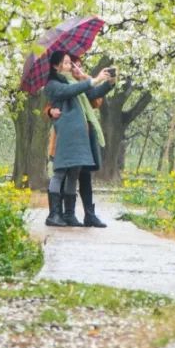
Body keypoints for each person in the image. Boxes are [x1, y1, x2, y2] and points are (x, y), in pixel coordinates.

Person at [42, 51, 114, 227]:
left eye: (72, 64)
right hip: (66, 135)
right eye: (67, 63)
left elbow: (94, 94)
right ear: (56, 66)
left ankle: (70, 215)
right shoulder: (54, 85)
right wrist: (50, 112)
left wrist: (109, 81)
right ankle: (54, 214)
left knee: (77, 174)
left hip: (83, 134)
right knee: (61, 173)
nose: (72, 67)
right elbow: (64, 94)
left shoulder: (75, 82)